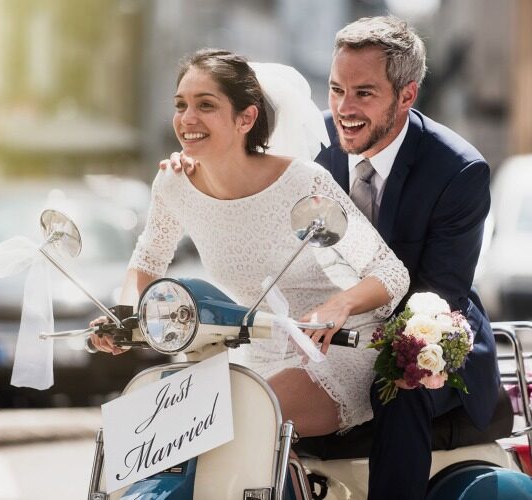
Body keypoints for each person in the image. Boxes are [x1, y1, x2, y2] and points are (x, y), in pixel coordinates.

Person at [162, 16, 501, 500]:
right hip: (312, 329)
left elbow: (438, 293)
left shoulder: (456, 169)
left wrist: (350, 314)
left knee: (401, 389)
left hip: (424, 329)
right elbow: (243, 167)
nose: (344, 108)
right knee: (212, 399)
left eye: (364, 93)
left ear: (407, 95)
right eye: (336, 89)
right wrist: (192, 161)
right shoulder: (309, 143)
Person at [91, 48, 410, 440]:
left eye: (205, 105)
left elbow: (390, 271)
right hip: (253, 352)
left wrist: (337, 306)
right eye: (181, 105)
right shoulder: (173, 184)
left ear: (246, 118)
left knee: (222, 423)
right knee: (138, 432)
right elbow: (148, 260)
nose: (187, 119)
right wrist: (123, 318)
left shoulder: (301, 181)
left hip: (335, 349)